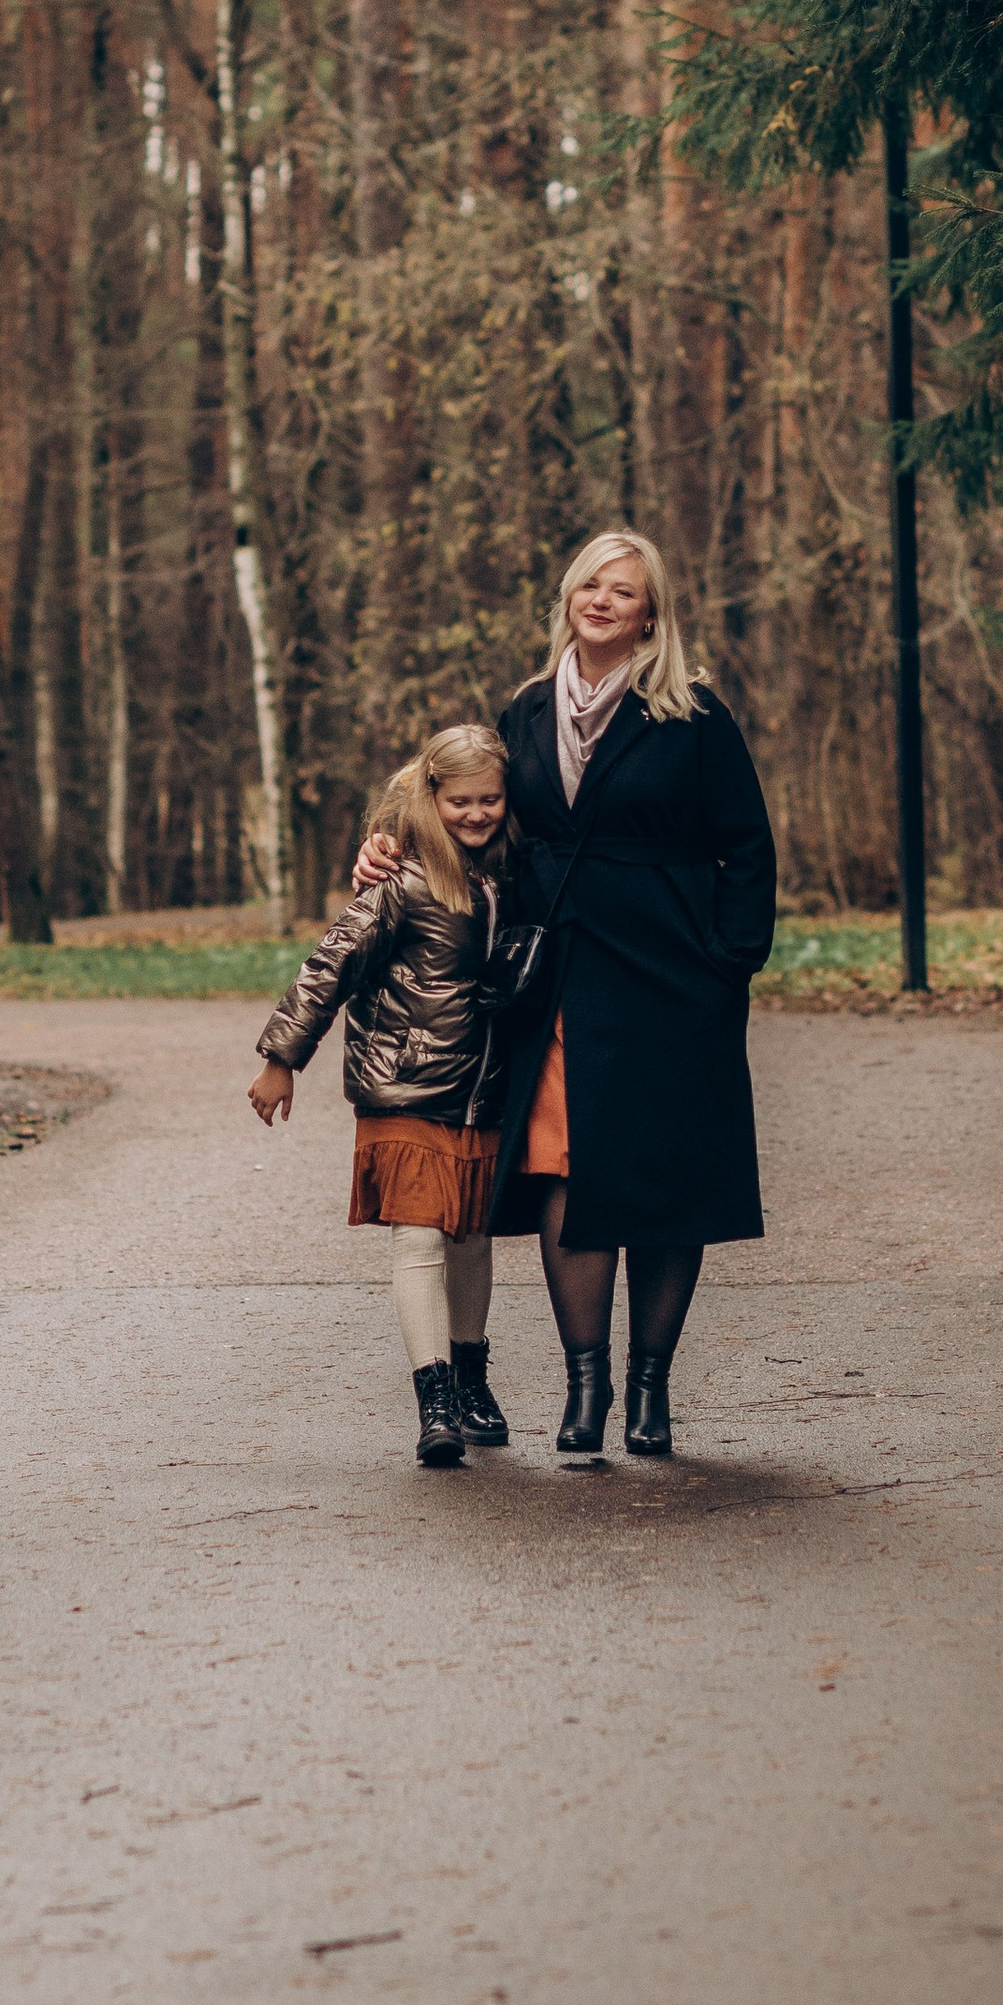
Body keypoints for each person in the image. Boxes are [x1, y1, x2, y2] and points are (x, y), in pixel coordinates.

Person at [357, 531, 777, 1458]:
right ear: (569, 598)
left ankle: (649, 1388)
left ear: (650, 613)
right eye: (590, 582)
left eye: (623, 589)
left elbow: (747, 845)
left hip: (674, 975)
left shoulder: (693, 714)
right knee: (565, 1166)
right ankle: (586, 1385)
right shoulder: (528, 708)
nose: (602, 598)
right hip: (562, 976)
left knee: (667, 1175)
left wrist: (730, 961)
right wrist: (390, 844)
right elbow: (466, 810)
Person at [247, 722, 516, 1469]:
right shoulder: (402, 880)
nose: (475, 813)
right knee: (420, 1235)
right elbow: (329, 964)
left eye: (489, 799)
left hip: (481, 1089)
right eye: (460, 801)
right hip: (404, 1085)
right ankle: (436, 1400)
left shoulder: (515, 870)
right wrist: (281, 1058)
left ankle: (471, 1377)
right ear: (431, 795)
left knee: (471, 1235)